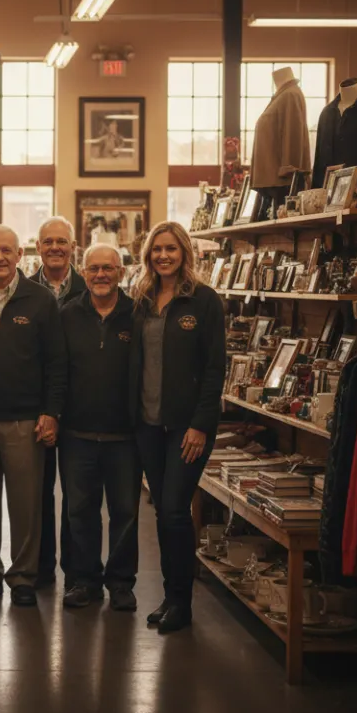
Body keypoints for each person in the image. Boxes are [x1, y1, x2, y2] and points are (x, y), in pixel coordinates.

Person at [0, 226, 65, 607]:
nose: (0, 257)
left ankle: (23, 577)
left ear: (20, 254)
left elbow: (56, 363)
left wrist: (51, 412)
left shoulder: (40, 300)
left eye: (7, 250)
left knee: (26, 505)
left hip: (26, 422)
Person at [131, 221, 225, 634]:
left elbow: (214, 368)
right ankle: (169, 597)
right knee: (161, 512)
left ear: (184, 252)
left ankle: (181, 602)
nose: (163, 256)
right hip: (148, 423)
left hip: (188, 428)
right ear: (148, 254)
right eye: (157, 250)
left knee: (173, 509)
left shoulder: (203, 300)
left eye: (171, 249)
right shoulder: (141, 300)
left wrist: (201, 425)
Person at [59, 244, 142, 613]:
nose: (101, 275)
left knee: (125, 512)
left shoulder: (138, 314)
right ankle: (84, 581)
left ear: (121, 273)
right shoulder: (67, 314)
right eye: (93, 269)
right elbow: (57, 372)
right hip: (76, 434)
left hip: (125, 436)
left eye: (108, 268)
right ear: (83, 271)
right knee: (80, 512)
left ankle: (121, 583)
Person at [31, 216, 86, 587]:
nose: (55, 247)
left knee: (77, 498)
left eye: (61, 241)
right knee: (38, 491)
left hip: (81, 408)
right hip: (36, 409)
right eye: (48, 241)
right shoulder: (25, 289)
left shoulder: (92, 285)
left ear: (72, 247)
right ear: (37, 248)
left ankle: (78, 571)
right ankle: (40, 568)